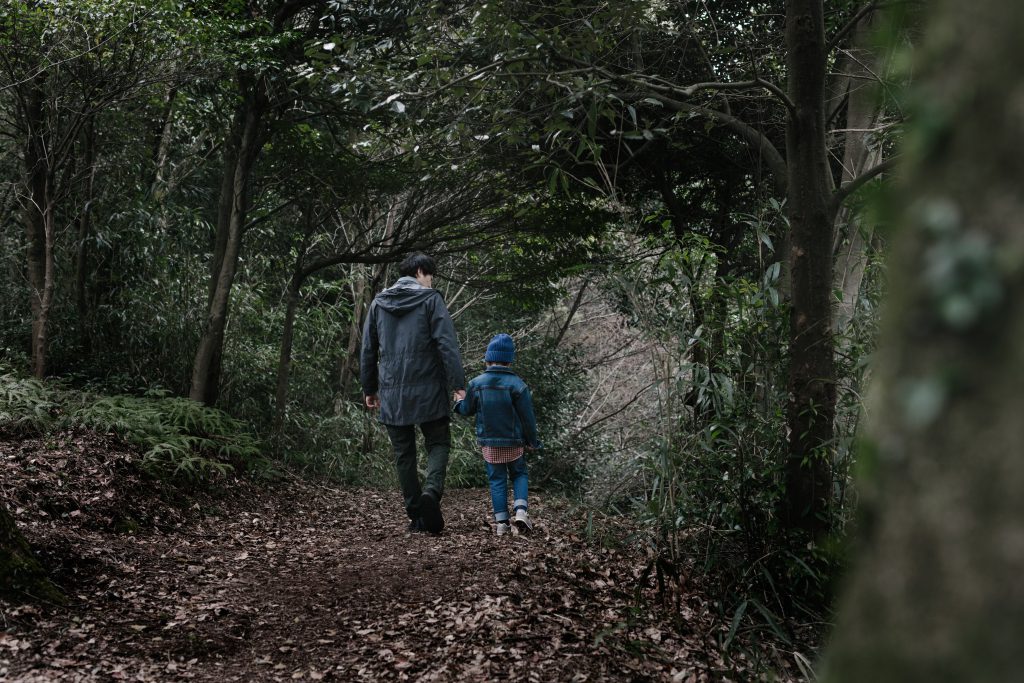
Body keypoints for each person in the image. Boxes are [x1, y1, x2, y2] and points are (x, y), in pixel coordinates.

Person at [360, 253, 465, 535]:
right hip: (429, 387)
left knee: (403, 454)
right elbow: (447, 344)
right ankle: (431, 492)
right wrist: (458, 385)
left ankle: (417, 515)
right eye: (430, 275)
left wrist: (369, 388)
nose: (431, 282)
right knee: (439, 442)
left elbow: (368, 349)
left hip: (393, 391)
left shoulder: (378, 303)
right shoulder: (430, 300)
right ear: (420, 271)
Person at [454, 334, 541, 536]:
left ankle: (502, 524)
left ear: (487, 359)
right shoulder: (518, 384)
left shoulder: (477, 383)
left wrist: (458, 402)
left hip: (490, 442)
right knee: (519, 473)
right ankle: (520, 511)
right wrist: (532, 441)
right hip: (513, 441)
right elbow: (528, 418)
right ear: (509, 360)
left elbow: (467, 409)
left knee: (497, 479)